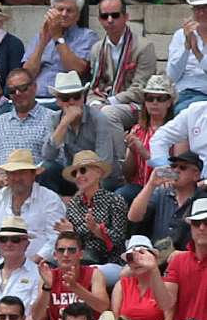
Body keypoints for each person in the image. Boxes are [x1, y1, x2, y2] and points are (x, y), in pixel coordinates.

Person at [0, 150, 64, 265]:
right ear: (7, 176)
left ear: (33, 174)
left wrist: (29, 265)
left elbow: (56, 239)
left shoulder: (50, 199)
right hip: (2, 265)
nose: (17, 178)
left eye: (22, 172)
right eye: (13, 173)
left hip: (41, 265)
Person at [43, 72, 122, 197]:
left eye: (76, 96)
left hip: (103, 178)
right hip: (75, 177)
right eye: (66, 98)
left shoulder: (98, 118)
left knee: (102, 186)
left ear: (83, 97)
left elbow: (104, 162)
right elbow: (48, 155)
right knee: (48, 168)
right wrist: (64, 123)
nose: (72, 102)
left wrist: (82, 192)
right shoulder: (55, 119)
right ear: (58, 101)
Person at [0, 70, 55, 193]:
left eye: (23, 88)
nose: (18, 93)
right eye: (12, 90)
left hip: (35, 182)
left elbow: (56, 160)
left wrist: (26, 176)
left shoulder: (52, 118)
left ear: (34, 87)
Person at [89, 0, 155, 132]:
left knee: (108, 113)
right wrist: (94, 103)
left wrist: (109, 102)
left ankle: (116, 154)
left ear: (126, 17)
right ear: (99, 19)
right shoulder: (97, 48)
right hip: (104, 102)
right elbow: (94, 86)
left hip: (135, 105)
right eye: (104, 16)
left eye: (115, 15)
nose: (110, 20)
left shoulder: (143, 47)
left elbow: (141, 89)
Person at [24, 0, 95, 103]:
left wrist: (58, 37)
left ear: (78, 16)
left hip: (64, 100)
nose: (64, 14)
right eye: (60, 10)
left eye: (69, 11)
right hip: (34, 98)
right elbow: (27, 75)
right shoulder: (39, 37)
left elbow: (77, 70)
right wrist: (42, 42)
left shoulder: (87, 36)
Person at [60, 151, 129, 266]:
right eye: (75, 173)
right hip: (80, 260)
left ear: (98, 172)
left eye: (83, 171)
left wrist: (97, 229)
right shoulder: (73, 204)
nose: (78, 176)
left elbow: (119, 240)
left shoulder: (115, 201)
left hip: (110, 261)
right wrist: (70, 233)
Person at [125, 80, 180, 211]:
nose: (154, 103)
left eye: (161, 99)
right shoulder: (137, 130)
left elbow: (178, 170)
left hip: (165, 186)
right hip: (138, 185)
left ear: (169, 102)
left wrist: (145, 153)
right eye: (150, 98)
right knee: (122, 195)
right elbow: (127, 175)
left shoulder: (177, 131)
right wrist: (132, 152)